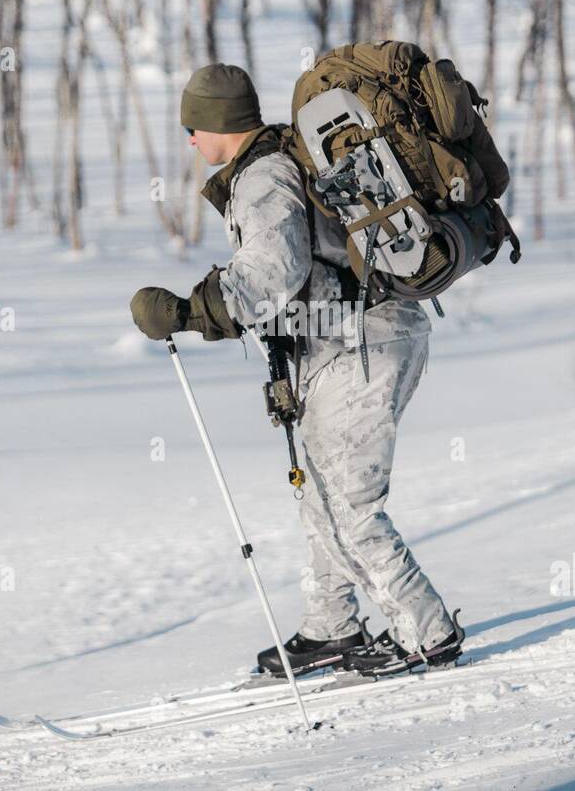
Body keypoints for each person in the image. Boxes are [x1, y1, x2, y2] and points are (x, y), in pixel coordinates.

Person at [130, 63, 464, 677]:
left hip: (364, 341)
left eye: (191, 127)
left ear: (214, 125)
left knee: (349, 503)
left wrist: (187, 311)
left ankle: (426, 631)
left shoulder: (263, 177)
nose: (189, 141)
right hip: (345, 343)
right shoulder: (270, 165)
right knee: (320, 495)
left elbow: (271, 275)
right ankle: (332, 624)